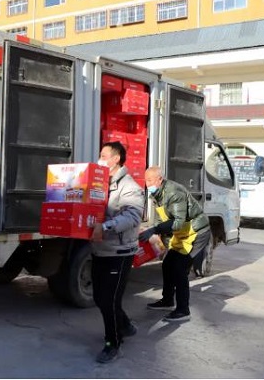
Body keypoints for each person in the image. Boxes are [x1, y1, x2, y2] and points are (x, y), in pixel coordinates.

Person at [90, 141, 145, 363]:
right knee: (99, 297)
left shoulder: (129, 187)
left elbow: (132, 217)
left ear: (116, 159)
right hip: (99, 249)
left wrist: (105, 227)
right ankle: (125, 325)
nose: (100, 159)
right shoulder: (99, 183)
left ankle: (113, 343)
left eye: (104, 156)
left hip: (120, 252)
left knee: (109, 300)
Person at [139, 166, 211, 323]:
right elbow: (162, 219)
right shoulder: (157, 194)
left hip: (197, 232)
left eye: (150, 180)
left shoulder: (173, 192)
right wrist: (156, 234)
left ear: (160, 179)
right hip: (183, 233)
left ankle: (183, 310)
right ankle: (167, 300)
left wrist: (154, 230)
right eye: (146, 180)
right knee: (168, 264)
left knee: (179, 268)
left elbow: (177, 223)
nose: (147, 184)